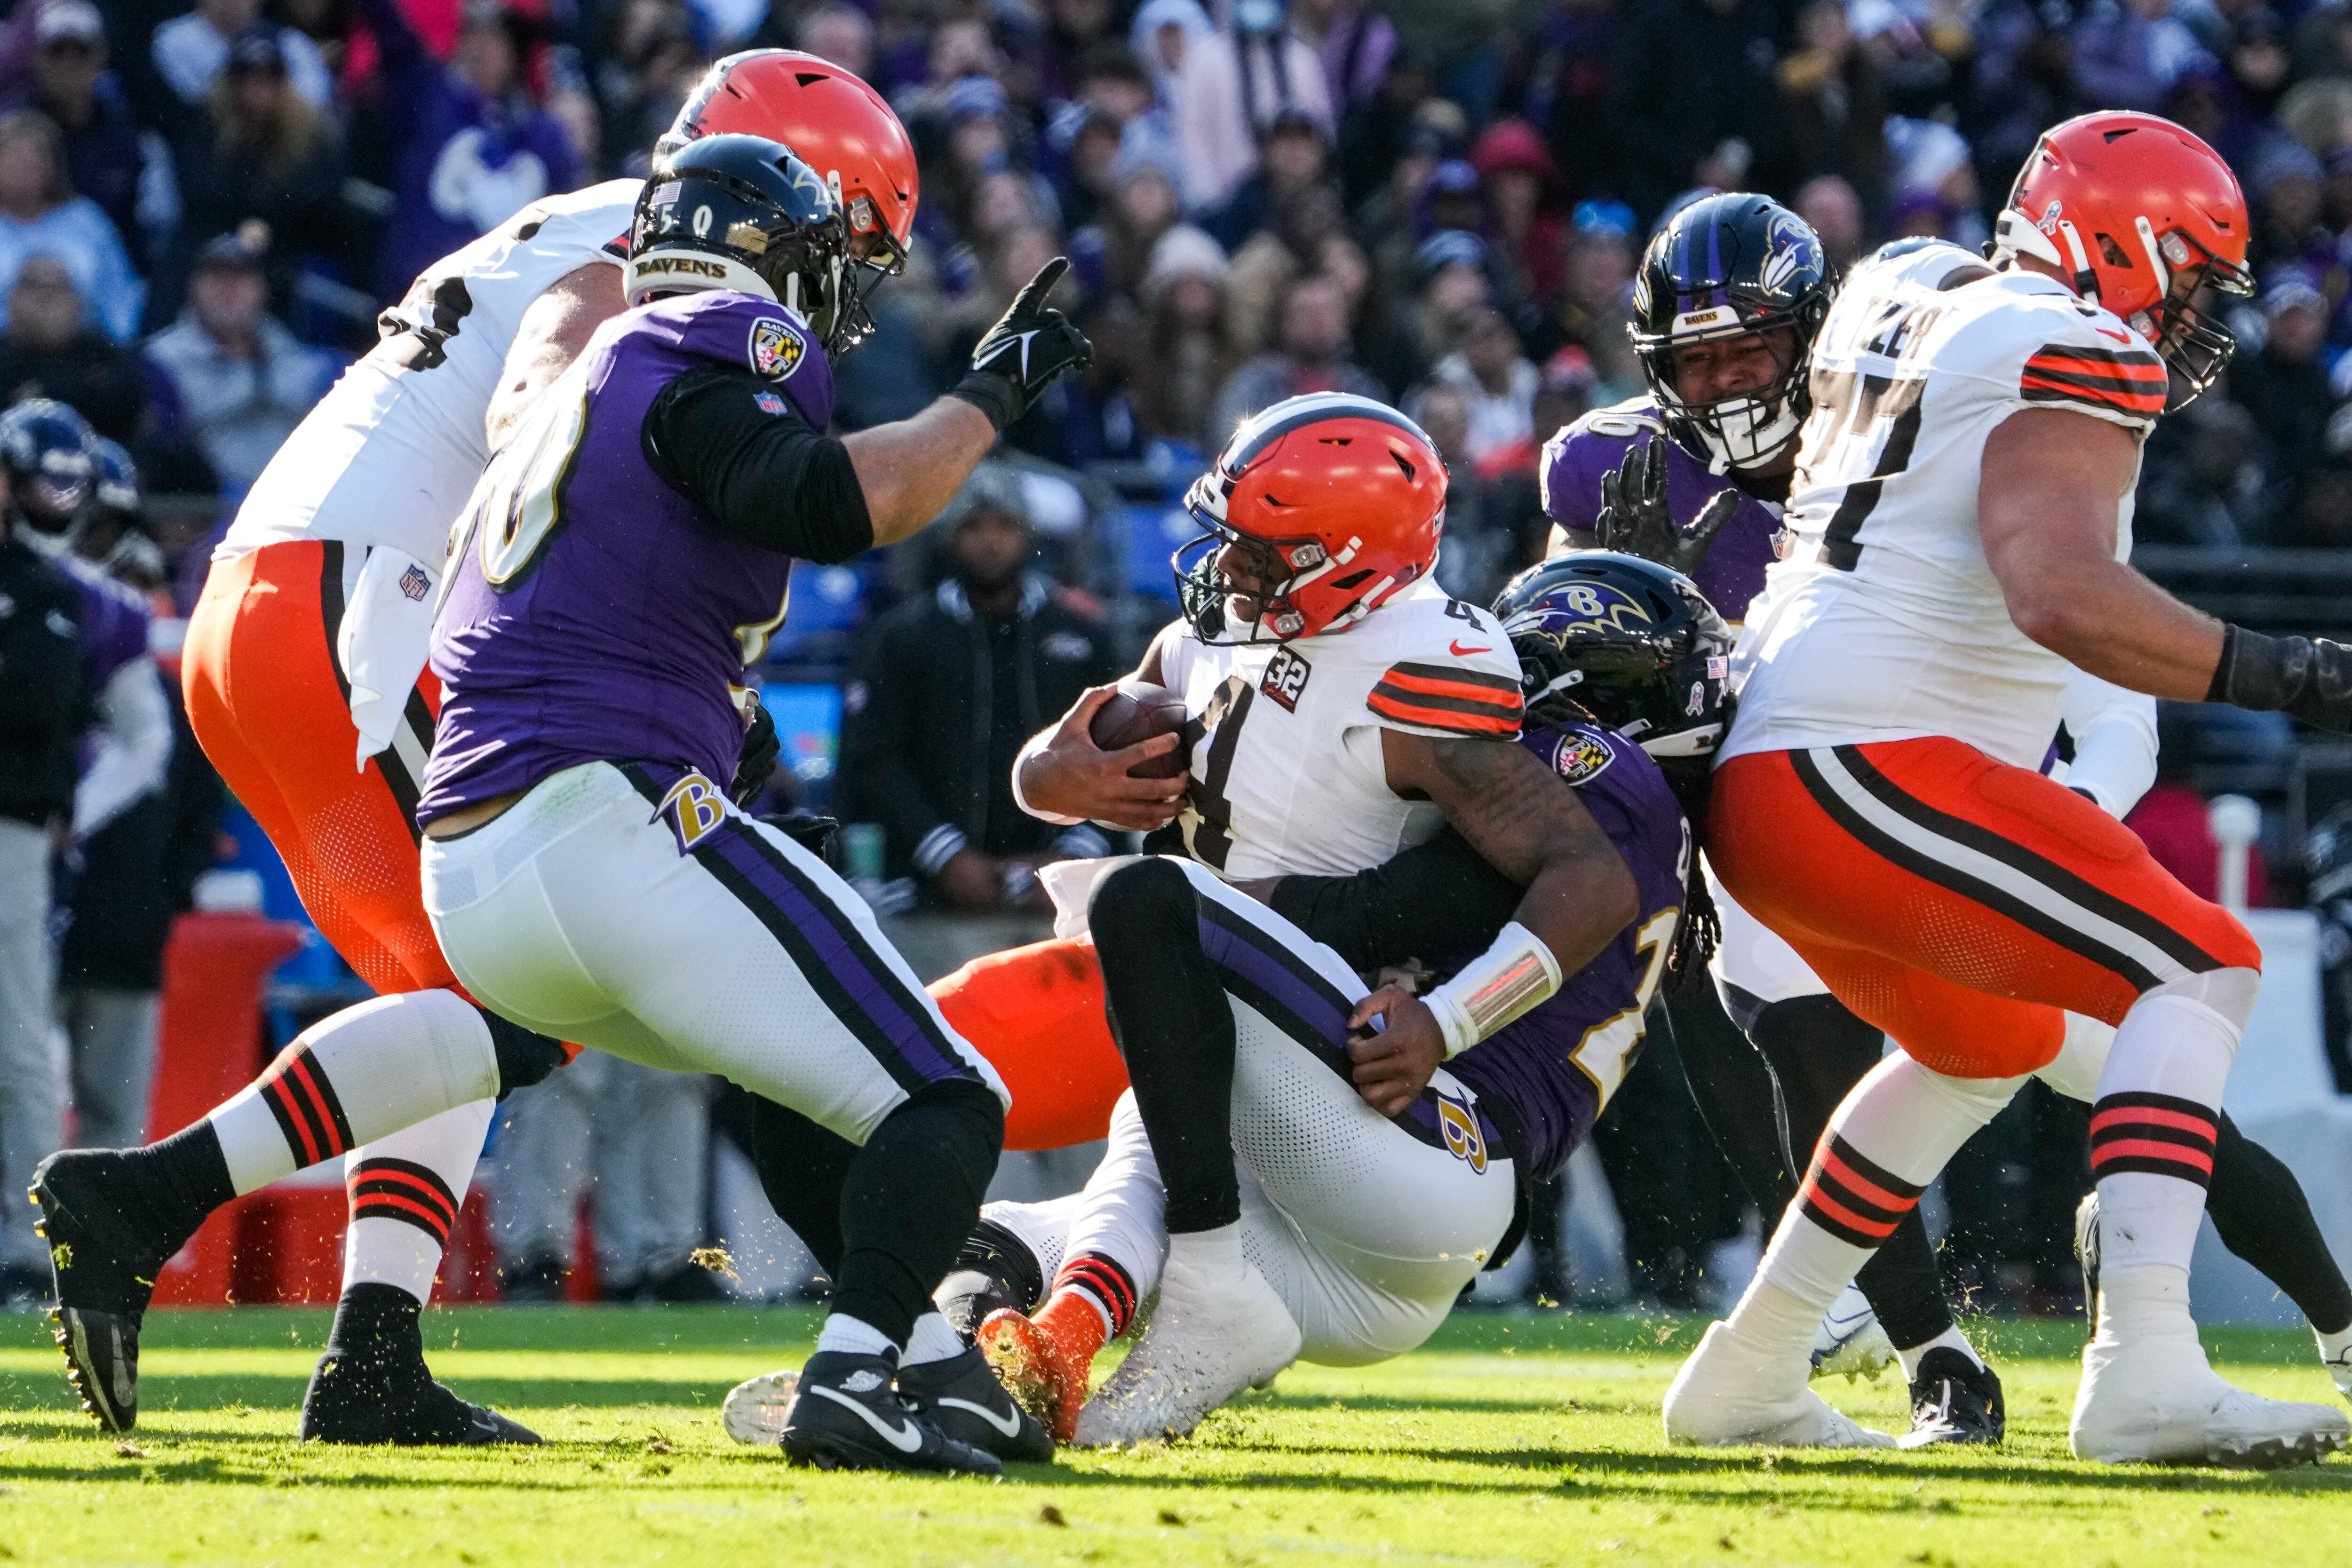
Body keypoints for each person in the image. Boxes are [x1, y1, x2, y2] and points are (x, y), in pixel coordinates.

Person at [28, 50, 920, 1443]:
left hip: (289, 604)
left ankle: (371, 1354)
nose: (846, 271)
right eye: (850, 229)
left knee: (471, 1001)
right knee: (505, 997)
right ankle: (140, 1200)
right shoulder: (644, 241)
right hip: (353, 597)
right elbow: (546, 395)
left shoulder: (587, 221)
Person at [1553, 197, 2352, 1445]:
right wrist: (2298, 671)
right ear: (2116, 248)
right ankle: (2138, 1359)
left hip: (1812, 790)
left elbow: (2087, 665)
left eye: (1747, 350)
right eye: (2187, 273)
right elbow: (2066, 594)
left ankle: (1750, 1367)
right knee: (2202, 963)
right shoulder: (2046, 340)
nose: (2196, 310)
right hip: (1864, 774)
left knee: (1987, 1047)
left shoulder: (1906, 331)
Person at [414, 134, 1088, 1473]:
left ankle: (934, 1360)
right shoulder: (712, 334)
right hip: (601, 813)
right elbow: (834, 500)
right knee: (954, 1096)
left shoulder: (558, 395)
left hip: (476, 864)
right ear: (767, 251)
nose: (833, 289)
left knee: (816, 1083)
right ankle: (851, 1374)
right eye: (822, 258)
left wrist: (720, 726)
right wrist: (989, 397)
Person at [971, 411, 1708, 1446]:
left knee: (1152, 901)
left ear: (1346, 559)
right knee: (1036, 1213)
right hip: (1290, 1119)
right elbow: (1057, 761)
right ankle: (1032, 1345)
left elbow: (1585, 880)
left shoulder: (1426, 658)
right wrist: (1055, 768)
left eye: (1261, 549)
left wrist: (1445, 1021)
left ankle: (1212, 1288)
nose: (1227, 564)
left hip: (1402, 1130)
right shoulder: (1206, 637)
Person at [838, 462, 1118, 910]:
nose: (991, 541)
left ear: (1028, 535)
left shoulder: (1083, 636)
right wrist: (946, 856)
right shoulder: (902, 636)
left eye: (1005, 525)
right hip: (923, 887)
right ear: (950, 537)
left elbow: (1119, 756)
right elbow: (871, 760)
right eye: (973, 526)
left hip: (1062, 889)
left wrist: (1072, 857)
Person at [0, 401, 88, 1307]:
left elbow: (34, 703)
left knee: (20, 1043)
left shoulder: (47, 588)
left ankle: (26, 1249)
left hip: (11, 834)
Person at [141, 231, 338, 494]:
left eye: (242, 277)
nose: (229, 290)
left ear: (264, 289)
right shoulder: (160, 360)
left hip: (295, 504)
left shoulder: (303, 360)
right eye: (216, 277)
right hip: (206, 512)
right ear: (192, 287)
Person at [0, 108, 143, 342]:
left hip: (82, 355)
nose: (25, 165)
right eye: (13, 154)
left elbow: (119, 298)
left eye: (36, 155)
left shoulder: (86, 220)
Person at [1207, 271, 1382, 446]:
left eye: (1328, 311)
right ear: (1285, 320)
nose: (1318, 321)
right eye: (1306, 312)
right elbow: (1233, 452)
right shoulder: (1254, 387)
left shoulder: (1362, 389)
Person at [0, 256, 147, 440]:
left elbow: (129, 411)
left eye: (59, 287)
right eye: (33, 286)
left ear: (77, 302)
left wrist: (40, 395)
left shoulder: (102, 355)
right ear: (11, 299)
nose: (47, 297)